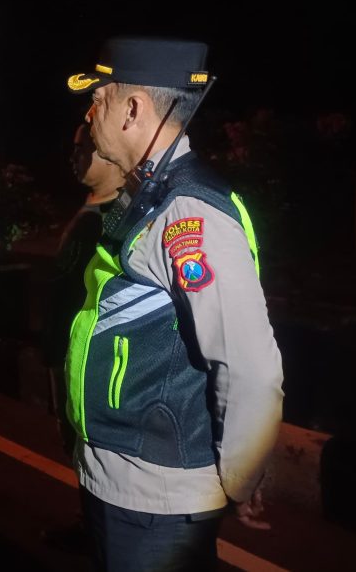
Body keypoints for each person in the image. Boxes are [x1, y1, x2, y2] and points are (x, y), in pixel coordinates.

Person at [64, 37, 284, 571]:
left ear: (132, 109)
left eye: (99, 100)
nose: (90, 114)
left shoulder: (190, 215)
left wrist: (240, 479)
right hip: (121, 475)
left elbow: (250, 366)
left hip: (156, 494)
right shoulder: (151, 194)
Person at [43, 123, 124, 453]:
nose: (72, 157)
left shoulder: (121, 217)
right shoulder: (92, 208)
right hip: (66, 353)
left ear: (107, 150)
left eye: (81, 149)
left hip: (94, 364)